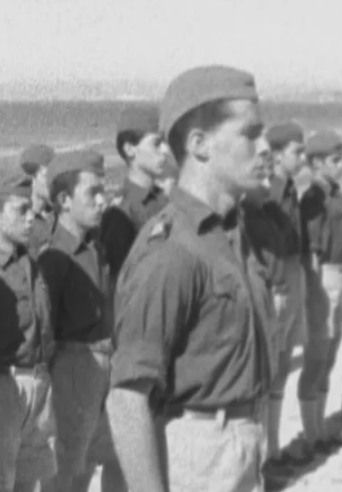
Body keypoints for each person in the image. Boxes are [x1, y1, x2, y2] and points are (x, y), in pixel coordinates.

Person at [107, 65, 271, 492]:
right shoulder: (171, 250)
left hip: (240, 444)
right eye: (250, 134)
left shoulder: (229, 235)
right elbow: (127, 401)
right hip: (197, 455)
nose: (265, 147)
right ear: (200, 144)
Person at [34, 149, 118, 492]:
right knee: (67, 466)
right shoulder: (54, 257)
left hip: (104, 364)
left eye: (104, 191)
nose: (102, 201)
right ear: (64, 201)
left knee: (102, 456)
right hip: (72, 368)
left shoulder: (95, 248)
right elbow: (45, 330)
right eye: (92, 194)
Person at [257, 122, 312, 470]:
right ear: (277, 156)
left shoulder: (290, 189)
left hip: (293, 279)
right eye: (296, 151)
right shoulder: (270, 192)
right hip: (276, 287)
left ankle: (274, 449)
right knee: (269, 373)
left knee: (280, 375)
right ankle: (264, 456)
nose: (302, 157)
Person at [0, 167, 57, 492]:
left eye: (31, 212)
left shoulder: (31, 263)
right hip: (6, 384)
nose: (29, 220)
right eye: (20, 211)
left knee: (28, 479)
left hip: (39, 381)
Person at [298, 130, 342, 453]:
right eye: (335, 160)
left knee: (329, 356)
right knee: (316, 357)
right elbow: (313, 251)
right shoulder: (313, 199)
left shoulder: (335, 193)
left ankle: (319, 428)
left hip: (341, 275)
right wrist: (317, 293)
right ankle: (311, 434)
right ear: (317, 163)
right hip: (324, 278)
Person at [100, 105, 170, 278]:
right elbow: (122, 282)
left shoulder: (167, 199)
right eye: (156, 143)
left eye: (165, 143)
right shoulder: (121, 212)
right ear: (130, 149)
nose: (165, 151)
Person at [17, 144, 56, 258]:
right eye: (47, 176)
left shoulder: (59, 214)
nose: (53, 183)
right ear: (32, 178)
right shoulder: (18, 223)